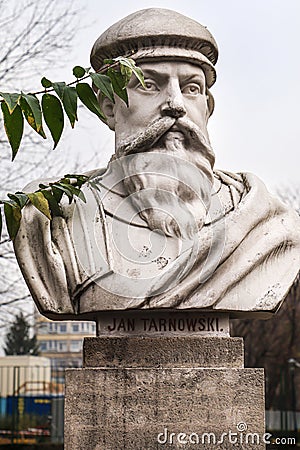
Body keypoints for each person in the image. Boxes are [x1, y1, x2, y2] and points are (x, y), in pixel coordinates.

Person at [14, 8, 300, 320]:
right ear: (108, 107)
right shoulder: (50, 214)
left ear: (207, 107)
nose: (176, 104)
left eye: (192, 88)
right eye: (149, 84)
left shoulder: (265, 220)